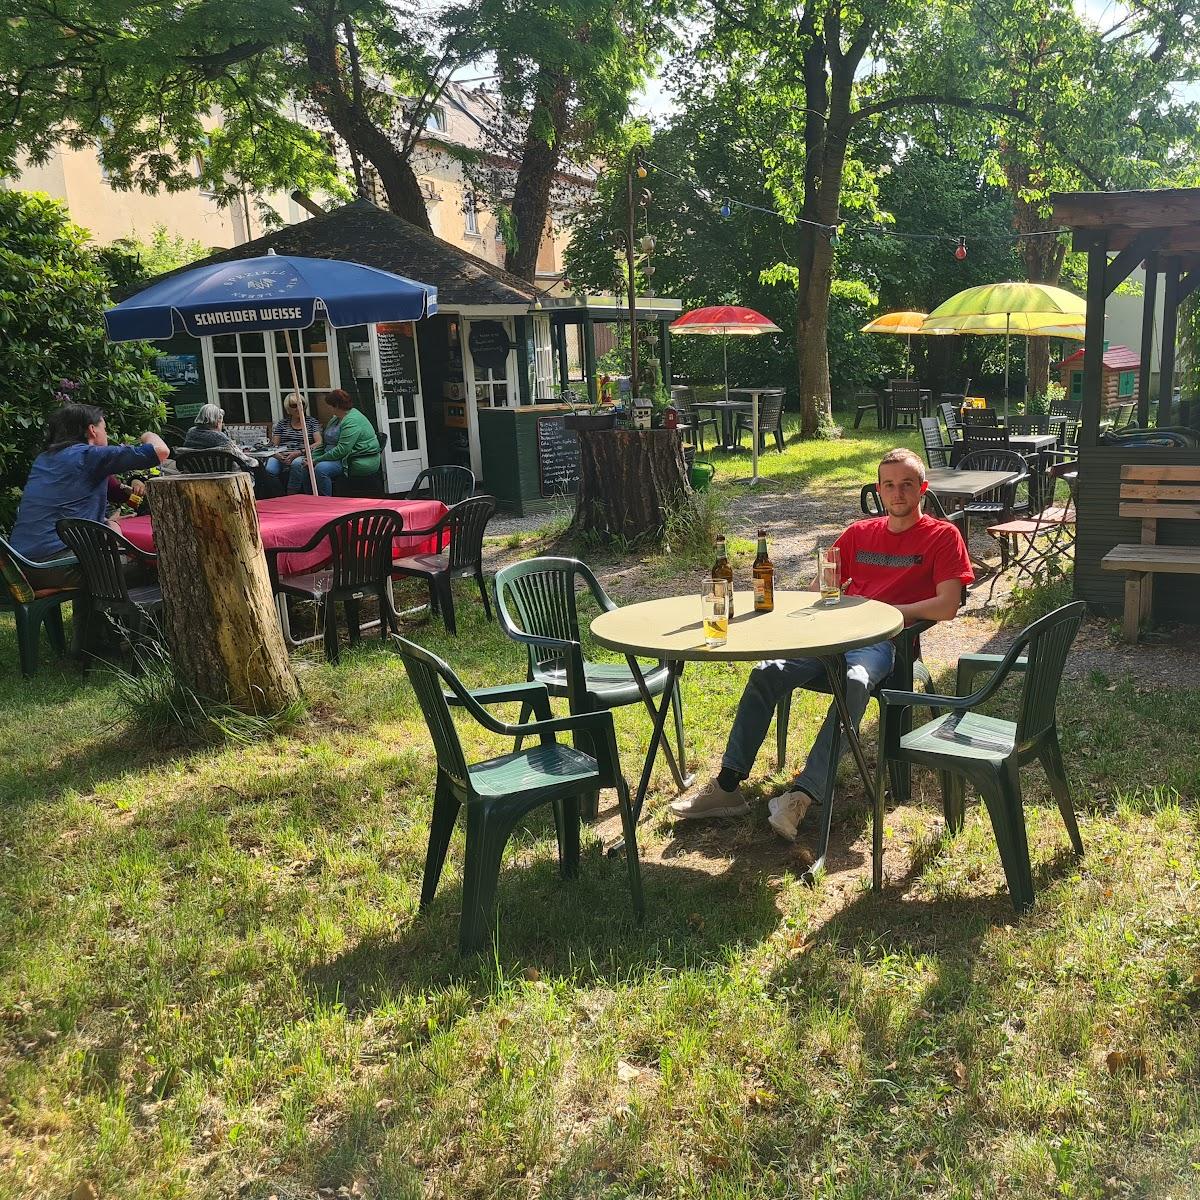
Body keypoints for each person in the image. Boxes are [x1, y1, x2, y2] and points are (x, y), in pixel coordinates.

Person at [670, 447, 974, 841]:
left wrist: (881, 612)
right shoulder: (858, 534)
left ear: (922, 489)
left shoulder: (942, 536)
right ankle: (728, 786)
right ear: (879, 490)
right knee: (767, 671)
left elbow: (948, 605)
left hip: (884, 643)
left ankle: (803, 795)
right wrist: (813, 610)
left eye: (906, 485)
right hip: (832, 635)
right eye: (889, 485)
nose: (897, 494)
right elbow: (819, 591)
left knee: (855, 681)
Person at [9, 403, 170, 588]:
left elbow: (63, 507)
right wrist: (148, 435)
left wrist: (104, 522)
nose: (106, 434)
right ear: (92, 430)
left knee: (94, 560)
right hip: (55, 565)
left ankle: (92, 618)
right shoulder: (90, 455)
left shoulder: (44, 459)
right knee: (152, 567)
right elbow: (161, 451)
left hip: (20, 565)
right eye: (104, 429)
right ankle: (145, 618)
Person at [287, 388, 380, 496]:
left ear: (335, 405)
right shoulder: (335, 419)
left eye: (329, 405)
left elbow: (342, 450)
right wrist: (312, 458)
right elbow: (324, 443)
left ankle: (326, 502)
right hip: (332, 456)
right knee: (304, 465)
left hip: (352, 459)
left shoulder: (353, 420)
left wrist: (317, 460)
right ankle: (311, 499)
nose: (327, 408)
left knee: (321, 469)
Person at [265, 392, 322, 485]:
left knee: (297, 464)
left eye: (301, 404)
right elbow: (274, 445)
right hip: (282, 455)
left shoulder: (312, 422)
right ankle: (278, 494)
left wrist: (300, 452)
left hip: (303, 454)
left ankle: (292, 492)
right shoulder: (282, 424)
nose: (298, 408)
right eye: (294, 405)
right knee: (269, 469)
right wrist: (278, 455)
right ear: (288, 409)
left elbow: (319, 442)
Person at [183, 404, 258, 469]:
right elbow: (244, 460)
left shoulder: (190, 433)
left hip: (198, 474)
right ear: (217, 421)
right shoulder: (220, 437)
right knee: (258, 465)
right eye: (221, 422)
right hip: (227, 476)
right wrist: (256, 461)